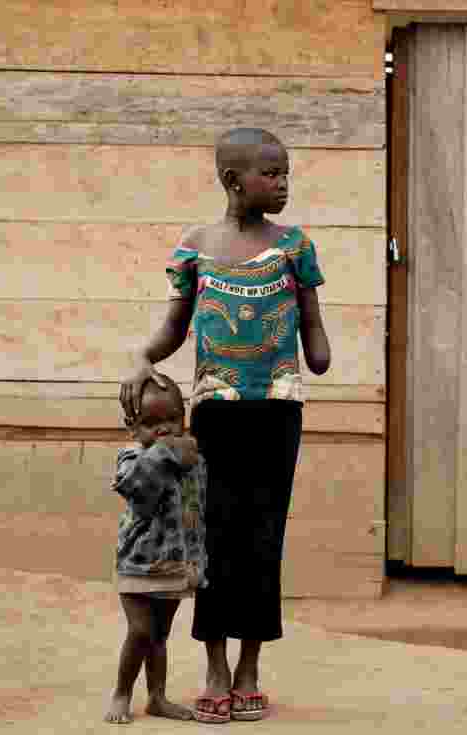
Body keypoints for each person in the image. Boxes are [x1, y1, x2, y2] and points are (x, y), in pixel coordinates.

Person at [119, 127, 331, 723]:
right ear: (234, 180)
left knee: (264, 539)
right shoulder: (196, 246)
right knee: (212, 536)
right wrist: (143, 359)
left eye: (286, 172)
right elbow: (175, 327)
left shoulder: (294, 246)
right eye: (272, 173)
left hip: (278, 411)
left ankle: (249, 667)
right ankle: (213, 665)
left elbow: (312, 319)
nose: (283, 182)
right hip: (213, 411)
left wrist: (317, 347)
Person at [105, 374, 207, 724]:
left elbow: (195, 510)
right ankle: (122, 692)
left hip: (174, 567)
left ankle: (157, 697)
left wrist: (196, 562)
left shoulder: (191, 459)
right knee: (140, 631)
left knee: (160, 636)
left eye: (171, 421)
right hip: (136, 565)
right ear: (132, 427)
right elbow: (136, 490)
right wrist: (163, 453)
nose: (162, 430)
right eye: (150, 424)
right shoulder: (132, 457)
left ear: (183, 418)